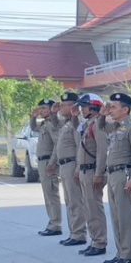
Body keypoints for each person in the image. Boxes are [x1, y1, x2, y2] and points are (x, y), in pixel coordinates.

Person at [101, 92, 131, 263]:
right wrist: (103, 115)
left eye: (114, 107)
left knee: (125, 216)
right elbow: (101, 127)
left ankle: (129, 255)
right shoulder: (116, 128)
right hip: (112, 175)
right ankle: (121, 253)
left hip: (122, 174)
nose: (111, 110)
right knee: (116, 216)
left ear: (125, 110)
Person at [49, 92, 86, 247]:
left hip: (72, 164)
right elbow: (54, 127)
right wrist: (53, 113)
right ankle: (73, 232)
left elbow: (79, 147)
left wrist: (78, 167)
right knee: (69, 201)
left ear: (73, 107)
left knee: (75, 201)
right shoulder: (66, 123)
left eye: (64, 105)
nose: (61, 108)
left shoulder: (77, 124)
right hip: (64, 165)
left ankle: (79, 234)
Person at [75, 93, 108, 257]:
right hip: (84, 171)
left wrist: (99, 173)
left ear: (94, 107)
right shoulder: (87, 125)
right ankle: (94, 240)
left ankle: (100, 242)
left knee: (94, 208)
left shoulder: (97, 125)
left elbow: (102, 150)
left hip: (92, 171)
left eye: (84, 106)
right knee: (88, 209)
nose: (82, 109)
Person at [31, 99, 62, 236]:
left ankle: (56, 224)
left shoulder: (51, 124)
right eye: (40, 108)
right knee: (47, 194)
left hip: (48, 161)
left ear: (51, 109)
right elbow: (33, 128)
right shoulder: (44, 123)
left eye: (44, 108)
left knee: (52, 194)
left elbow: (57, 144)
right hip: (42, 161)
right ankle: (52, 222)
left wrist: (52, 162)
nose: (41, 111)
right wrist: (33, 117)